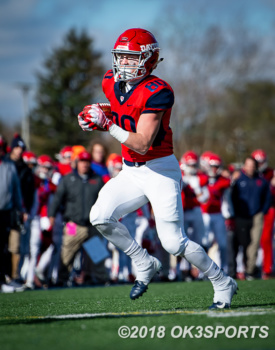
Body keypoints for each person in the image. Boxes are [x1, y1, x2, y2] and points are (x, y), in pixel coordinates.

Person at [77, 28, 238, 309]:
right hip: (131, 171)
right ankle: (143, 261)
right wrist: (96, 113)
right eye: (121, 57)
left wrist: (106, 124)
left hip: (159, 170)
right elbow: (119, 108)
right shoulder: (110, 81)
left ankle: (222, 281)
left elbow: (141, 142)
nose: (124, 63)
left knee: (173, 243)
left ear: (150, 59)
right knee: (100, 217)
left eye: (131, 57)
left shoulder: (158, 91)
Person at [48, 151, 107, 286]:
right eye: (81, 161)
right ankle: (62, 279)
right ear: (76, 163)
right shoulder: (68, 179)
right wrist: (51, 214)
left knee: (97, 254)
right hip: (73, 224)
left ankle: (101, 278)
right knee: (67, 253)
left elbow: (104, 200)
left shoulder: (96, 179)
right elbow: (57, 199)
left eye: (87, 162)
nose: (84, 164)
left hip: (92, 225)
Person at [230, 156, 271, 280]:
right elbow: (233, 197)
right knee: (244, 243)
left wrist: (262, 211)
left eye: (253, 165)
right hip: (241, 216)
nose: (251, 168)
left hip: (257, 215)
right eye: (248, 165)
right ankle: (241, 269)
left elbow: (267, 198)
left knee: (255, 243)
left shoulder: (262, 181)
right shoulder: (238, 180)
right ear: (244, 166)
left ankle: (250, 270)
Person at [178, 150, 209, 281]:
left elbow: (204, 199)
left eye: (193, 164)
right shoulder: (179, 175)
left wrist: (197, 189)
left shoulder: (200, 177)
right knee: (182, 241)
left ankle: (198, 270)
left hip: (196, 210)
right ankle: (183, 271)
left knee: (198, 241)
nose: (192, 167)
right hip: (183, 211)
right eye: (189, 164)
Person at [0, 136, 24, 292]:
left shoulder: (9, 165)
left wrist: (20, 208)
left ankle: (3, 279)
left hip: (5, 212)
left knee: (4, 248)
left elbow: (16, 189)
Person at [200, 152, 231, 271]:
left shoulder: (223, 181)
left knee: (222, 244)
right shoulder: (201, 178)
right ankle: (203, 270)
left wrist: (228, 214)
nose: (215, 169)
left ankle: (224, 268)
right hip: (204, 214)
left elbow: (227, 198)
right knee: (205, 243)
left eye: (216, 166)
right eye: (212, 166)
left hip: (218, 214)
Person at [251, 149, 275, 279]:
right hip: (253, 210)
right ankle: (249, 268)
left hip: (268, 209)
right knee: (251, 240)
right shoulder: (249, 173)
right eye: (257, 162)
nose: (260, 165)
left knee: (266, 239)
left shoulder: (270, 173)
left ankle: (267, 269)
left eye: (261, 162)